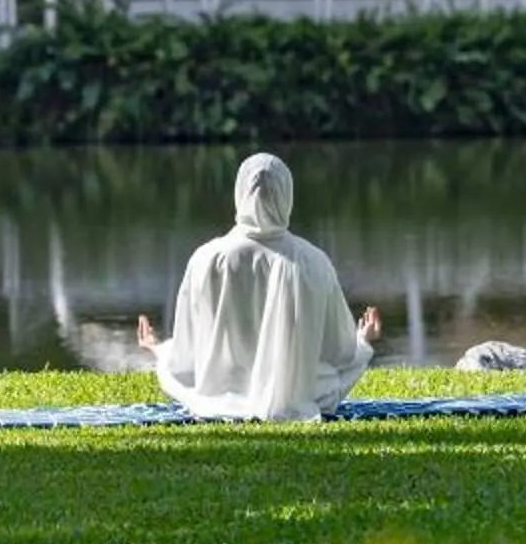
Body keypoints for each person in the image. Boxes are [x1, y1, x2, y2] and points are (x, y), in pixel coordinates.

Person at [134, 152, 382, 421]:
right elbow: (339, 354)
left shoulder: (207, 259)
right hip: (303, 399)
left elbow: (186, 358)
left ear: (240, 194)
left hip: (217, 404)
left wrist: (158, 349)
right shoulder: (313, 261)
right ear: (287, 194)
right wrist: (363, 341)